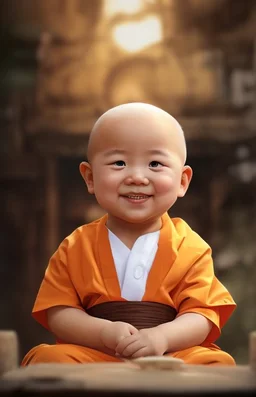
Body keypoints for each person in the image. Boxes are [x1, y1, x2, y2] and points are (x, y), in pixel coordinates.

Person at [21, 102, 236, 366]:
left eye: (155, 163)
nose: (137, 177)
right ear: (90, 177)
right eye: (119, 163)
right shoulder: (76, 245)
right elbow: (58, 311)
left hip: (170, 355)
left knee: (217, 363)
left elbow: (203, 315)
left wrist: (161, 337)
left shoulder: (190, 247)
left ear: (182, 181)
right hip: (96, 355)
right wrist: (103, 333)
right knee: (47, 358)